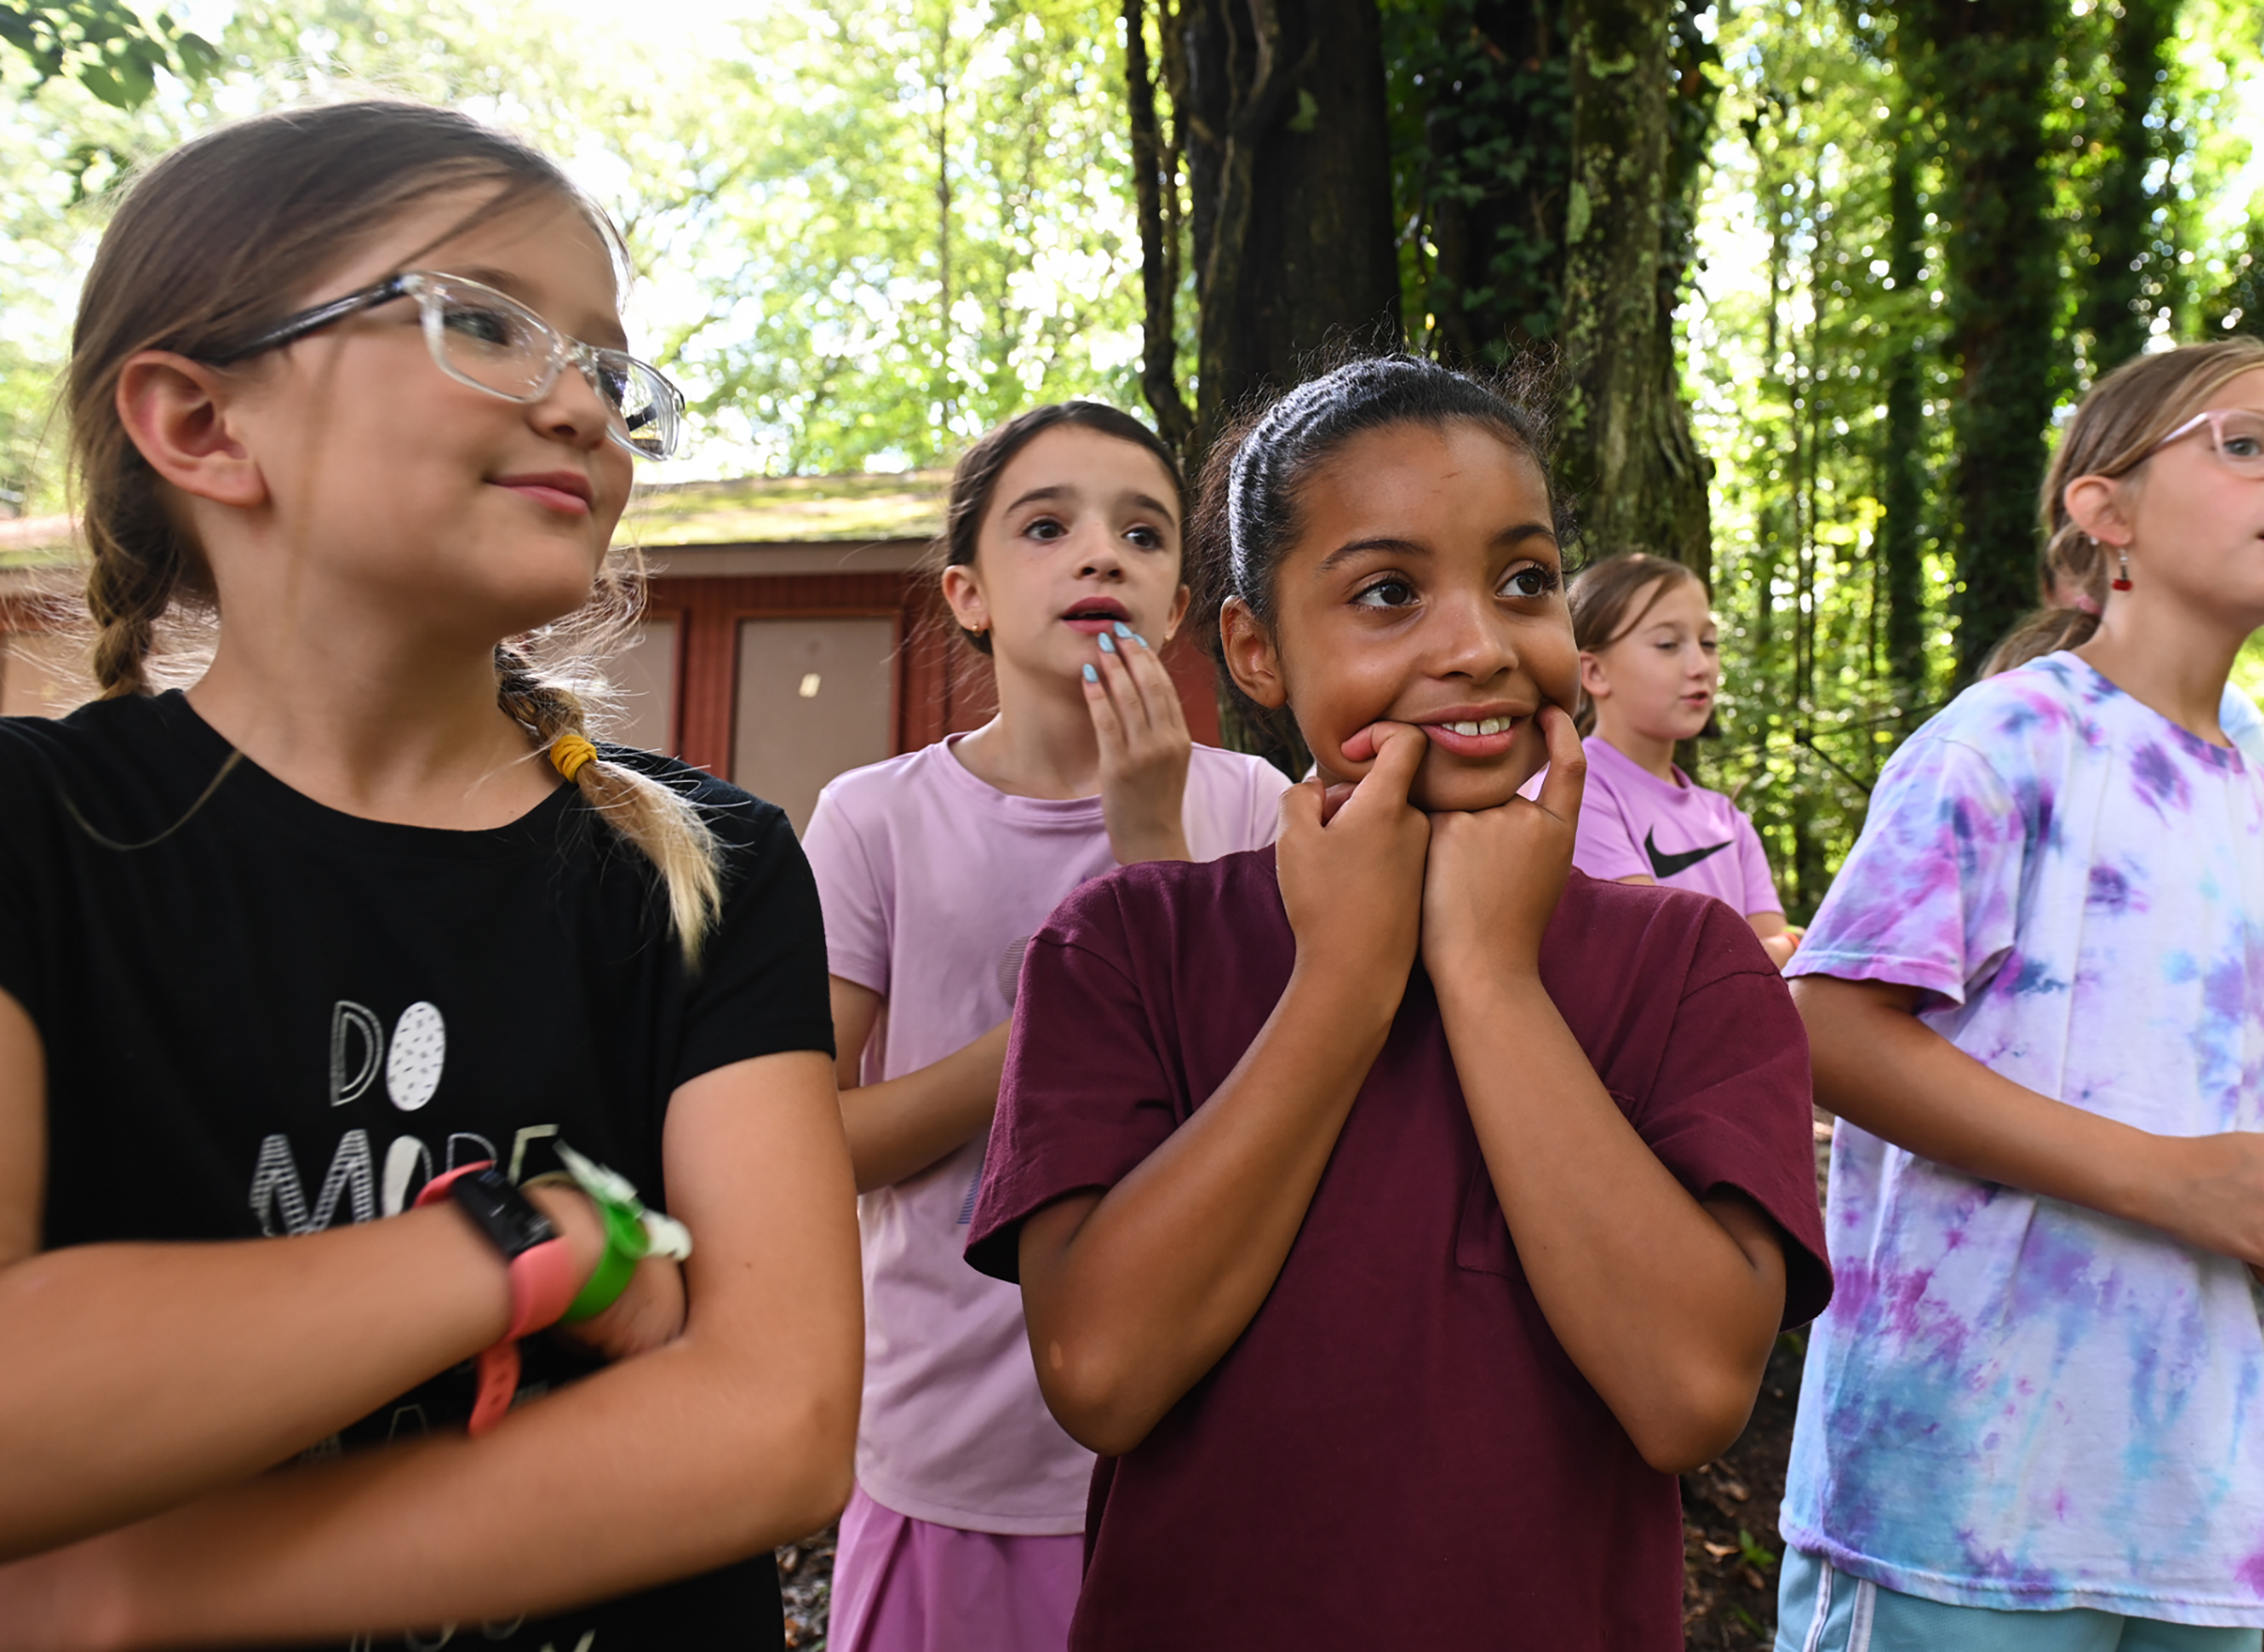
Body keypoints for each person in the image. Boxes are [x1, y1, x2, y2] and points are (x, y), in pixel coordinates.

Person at [0, 101, 863, 1651]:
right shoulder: (32, 833)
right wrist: (532, 1242)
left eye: (607, 368)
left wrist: (129, 1590)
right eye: (481, 322)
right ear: (201, 424)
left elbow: (778, 1423)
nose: (585, 407)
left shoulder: (707, 866)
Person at [956, 356, 1832, 1650]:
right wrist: (1342, 982)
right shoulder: (1124, 949)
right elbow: (1103, 1374)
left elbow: (1691, 1394)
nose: (1480, 646)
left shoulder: (1687, 965)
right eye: (1387, 593)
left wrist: (1489, 976)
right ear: (1256, 649)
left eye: (1525, 580)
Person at [1773, 339, 2264, 1652]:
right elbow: (1825, 1027)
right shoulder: (2008, 739)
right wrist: (2175, 1181)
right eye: (2248, 444)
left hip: (2185, 1508)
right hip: (1955, 1497)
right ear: (2105, 510)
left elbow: (2222, 1116)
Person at [801, 402, 1289, 1652]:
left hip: (1196, 1440)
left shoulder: (1256, 806)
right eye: (1046, 526)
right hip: (949, 1458)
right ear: (966, 594)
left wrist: (1152, 852)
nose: (1101, 552)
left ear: (1178, 608)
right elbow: (808, 1147)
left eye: (1144, 532)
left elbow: (1282, 1118)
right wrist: (1047, 1026)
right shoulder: (875, 821)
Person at [1556, 552, 1798, 967]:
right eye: (1668, 644)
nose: (1701, 666)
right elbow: (1665, 961)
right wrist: (1793, 944)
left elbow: (1773, 980)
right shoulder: (1576, 792)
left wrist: (1777, 951)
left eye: (1709, 643)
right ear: (1593, 673)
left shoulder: (1727, 818)